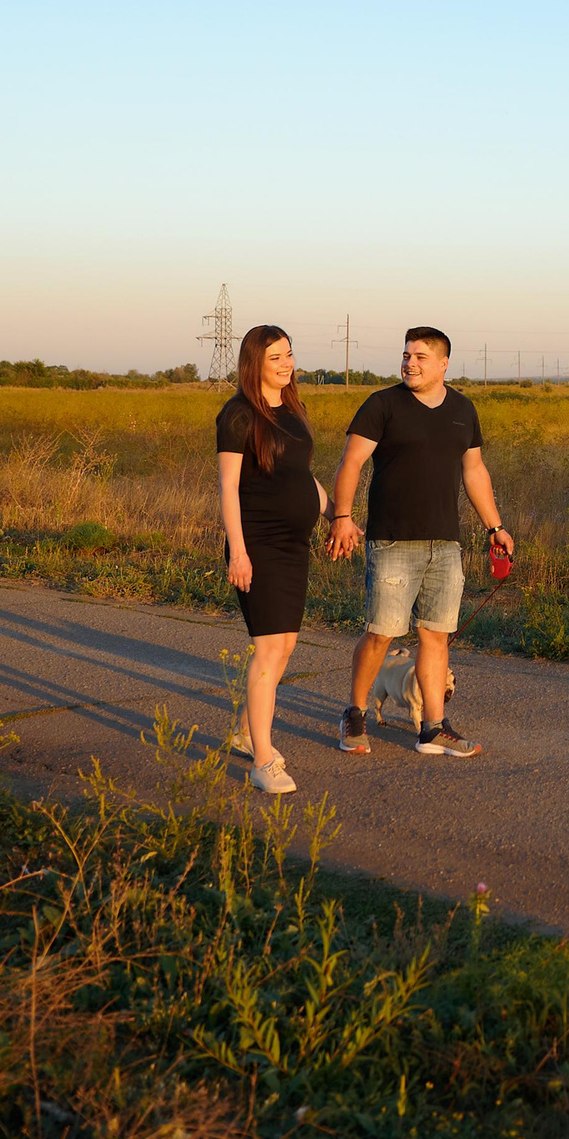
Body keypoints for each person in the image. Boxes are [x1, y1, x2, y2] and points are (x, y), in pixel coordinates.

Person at [325, 326, 512, 757]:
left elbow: (475, 471)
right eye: (406, 355)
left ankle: (432, 728)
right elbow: (351, 461)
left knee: (436, 636)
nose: (410, 362)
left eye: (421, 356)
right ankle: (354, 713)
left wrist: (494, 527)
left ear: (444, 364)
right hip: (392, 541)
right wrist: (341, 516)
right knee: (382, 634)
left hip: (445, 544)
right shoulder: (383, 405)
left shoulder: (463, 410)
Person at [215, 324, 329, 794]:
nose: (287, 364)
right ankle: (262, 759)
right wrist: (238, 552)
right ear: (254, 363)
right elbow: (227, 487)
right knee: (267, 649)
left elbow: (301, 477)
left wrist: (336, 514)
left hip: (294, 544)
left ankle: (245, 730)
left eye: (289, 355)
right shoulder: (238, 414)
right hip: (257, 542)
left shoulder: (294, 409)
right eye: (276, 357)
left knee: (284, 646)